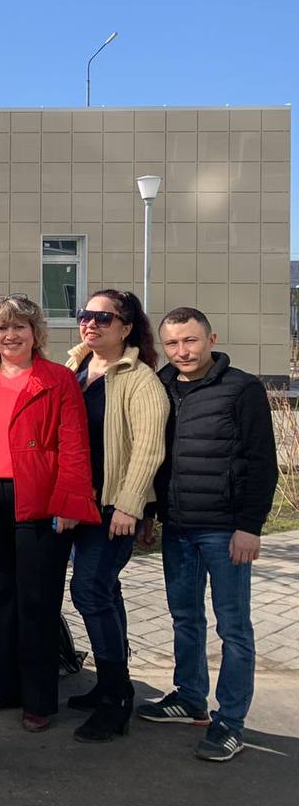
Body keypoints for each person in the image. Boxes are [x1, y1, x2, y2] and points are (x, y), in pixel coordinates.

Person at [140, 307, 278, 761]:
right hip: (178, 528)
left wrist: (249, 528)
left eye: (191, 340)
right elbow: (154, 456)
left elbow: (262, 463)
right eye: (173, 343)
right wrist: (150, 515)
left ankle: (231, 722)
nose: (182, 351)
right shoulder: (160, 387)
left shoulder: (242, 389)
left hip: (225, 531)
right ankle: (190, 696)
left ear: (211, 339)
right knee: (185, 618)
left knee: (233, 627)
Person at [0, 295, 98, 731]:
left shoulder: (58, 379)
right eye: (1, 328)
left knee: (37, 602)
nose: (10, 335)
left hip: (41, 501)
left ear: (35, 332)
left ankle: (37, 699)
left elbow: (74, 445)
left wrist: (69, 503)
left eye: (19, 327)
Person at [64, 289, 168, 742]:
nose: (90, 323)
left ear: (126, 328)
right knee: (106, 590)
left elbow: (149, 447)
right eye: (85, 315)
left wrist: (130, 504)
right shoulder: (76, 368)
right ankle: (113, 683)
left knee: (88, 590)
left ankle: (116, 699)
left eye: (102, 318)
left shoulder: (140, 379)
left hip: (112, 508)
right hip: (75, 504)